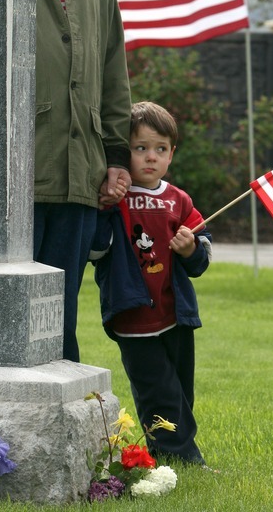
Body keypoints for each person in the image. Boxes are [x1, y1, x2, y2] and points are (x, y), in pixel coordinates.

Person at [24, 0, 132, 362]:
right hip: (13, 178)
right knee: (6, 326)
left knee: (59, 329)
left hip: (79, 177)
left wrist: (117, 156)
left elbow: (114, 70)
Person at [91, 102, 213, 465]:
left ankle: (166, 451)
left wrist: (191, 248)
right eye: (140, 148)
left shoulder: (179, 201)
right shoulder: (114, 198)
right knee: (157, 389)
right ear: (122, 151)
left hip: (176, 314)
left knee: (179, 389)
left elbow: (201, 260)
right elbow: (96, 251)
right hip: (134, 316)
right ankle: (184, 458)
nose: (150, 157)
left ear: (171, 154)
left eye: (160, 149)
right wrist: (104, 212)